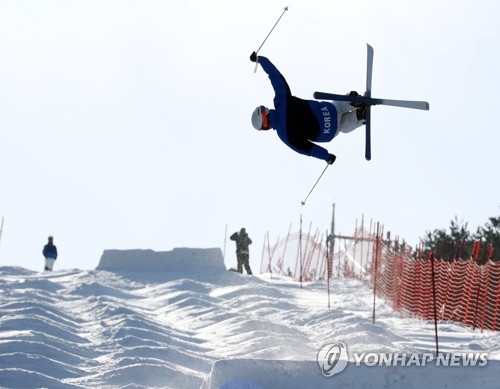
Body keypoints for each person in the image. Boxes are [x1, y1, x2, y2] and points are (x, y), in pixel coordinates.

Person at [250, 51, 366, 163]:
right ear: (266, 111)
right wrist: (260, 60)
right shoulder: (281, 100)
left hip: (328, 132)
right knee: (338, 106)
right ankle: (352, 100)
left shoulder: (284, 135)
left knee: (343, 127)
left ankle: (360, 116)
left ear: (265, 127)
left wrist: (327, 157)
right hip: (327, 111)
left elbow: (308, 149)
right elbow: (275, 76)